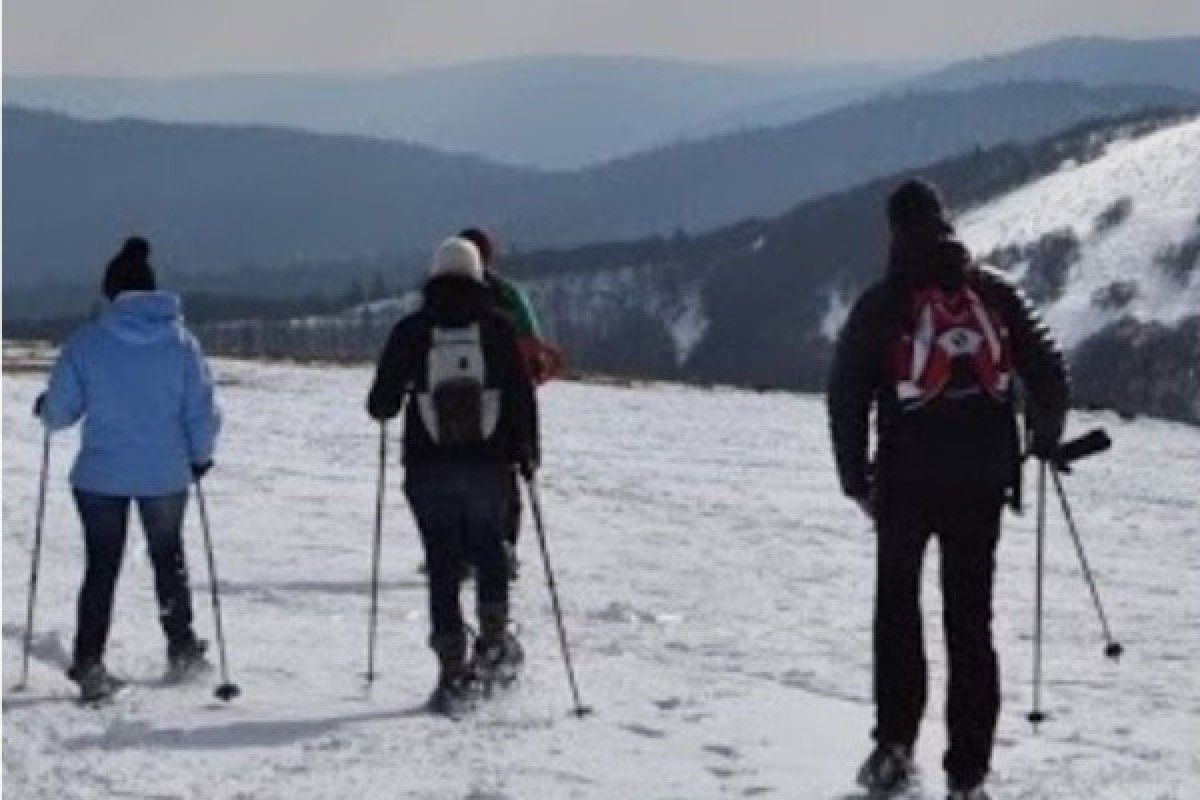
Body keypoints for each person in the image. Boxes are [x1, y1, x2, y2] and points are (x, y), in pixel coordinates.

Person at [827, 179, 1068, 800]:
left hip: (905, 484)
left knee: (898, 614)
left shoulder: (883, 304)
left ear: (893, 231)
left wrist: (856, 480)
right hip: (981, 483)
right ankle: (967, 777)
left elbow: (846, 395)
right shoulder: (993, 290)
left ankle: (895, 749)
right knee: (971, 623)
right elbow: (1050, 371)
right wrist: (1042, 438)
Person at [36, 236, 221, 703]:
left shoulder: (88, 341)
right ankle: (182, 648)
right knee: (168, 558)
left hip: (100, 475)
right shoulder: (182, 343)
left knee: (102, 565)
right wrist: (200, 456)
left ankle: (90, 661)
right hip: (165, 473)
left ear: (112, 292)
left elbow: (60, 413)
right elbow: (201, 409)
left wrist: (45, 407)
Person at [367, 237, 540, 714]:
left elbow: (379, 404)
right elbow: (522, 398)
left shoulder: (412, 329)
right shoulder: (498, 328)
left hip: (428, 469)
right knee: (490, 554)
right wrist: (527, 456)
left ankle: (450, 671)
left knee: (442, 566)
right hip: (489, 467)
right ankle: (493, 645)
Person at [458, 226, 564, 579]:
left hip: (451, 402)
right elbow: (532, 347)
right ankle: (503, 548)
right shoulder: (508, 295)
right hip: (504, 400)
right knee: (503, 477)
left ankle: (454, 550)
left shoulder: (437, 296)